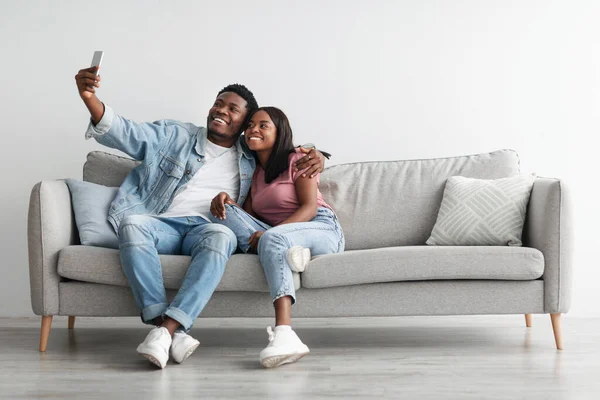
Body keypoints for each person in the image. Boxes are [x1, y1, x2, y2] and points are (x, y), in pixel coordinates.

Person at [74, 66, 327, 369]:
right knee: (131, 224)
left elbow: (285, 151)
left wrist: (318, 154)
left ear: (244, 124)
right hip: (162, 224)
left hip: (207, 229)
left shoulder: (251, 158)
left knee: (223, 235)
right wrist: (89, 98)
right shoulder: (175, 134)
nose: (221, 110)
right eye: (219, 103)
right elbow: (127, 132)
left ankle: (164, 332)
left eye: (232, 109)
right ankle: (168, 329)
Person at [209, 107, 345, 368]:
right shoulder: (254, 173)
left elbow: (309, 208)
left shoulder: (298, 159)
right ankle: (290, 254)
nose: (253, 130)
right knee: (220, 211)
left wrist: (271, 234)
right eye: (250, 125)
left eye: (263, 125)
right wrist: (228, 201)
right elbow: (246, 221)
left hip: (321, 229)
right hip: (281, 235)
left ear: (279, 131)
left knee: (273, 240)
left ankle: (285, 333)